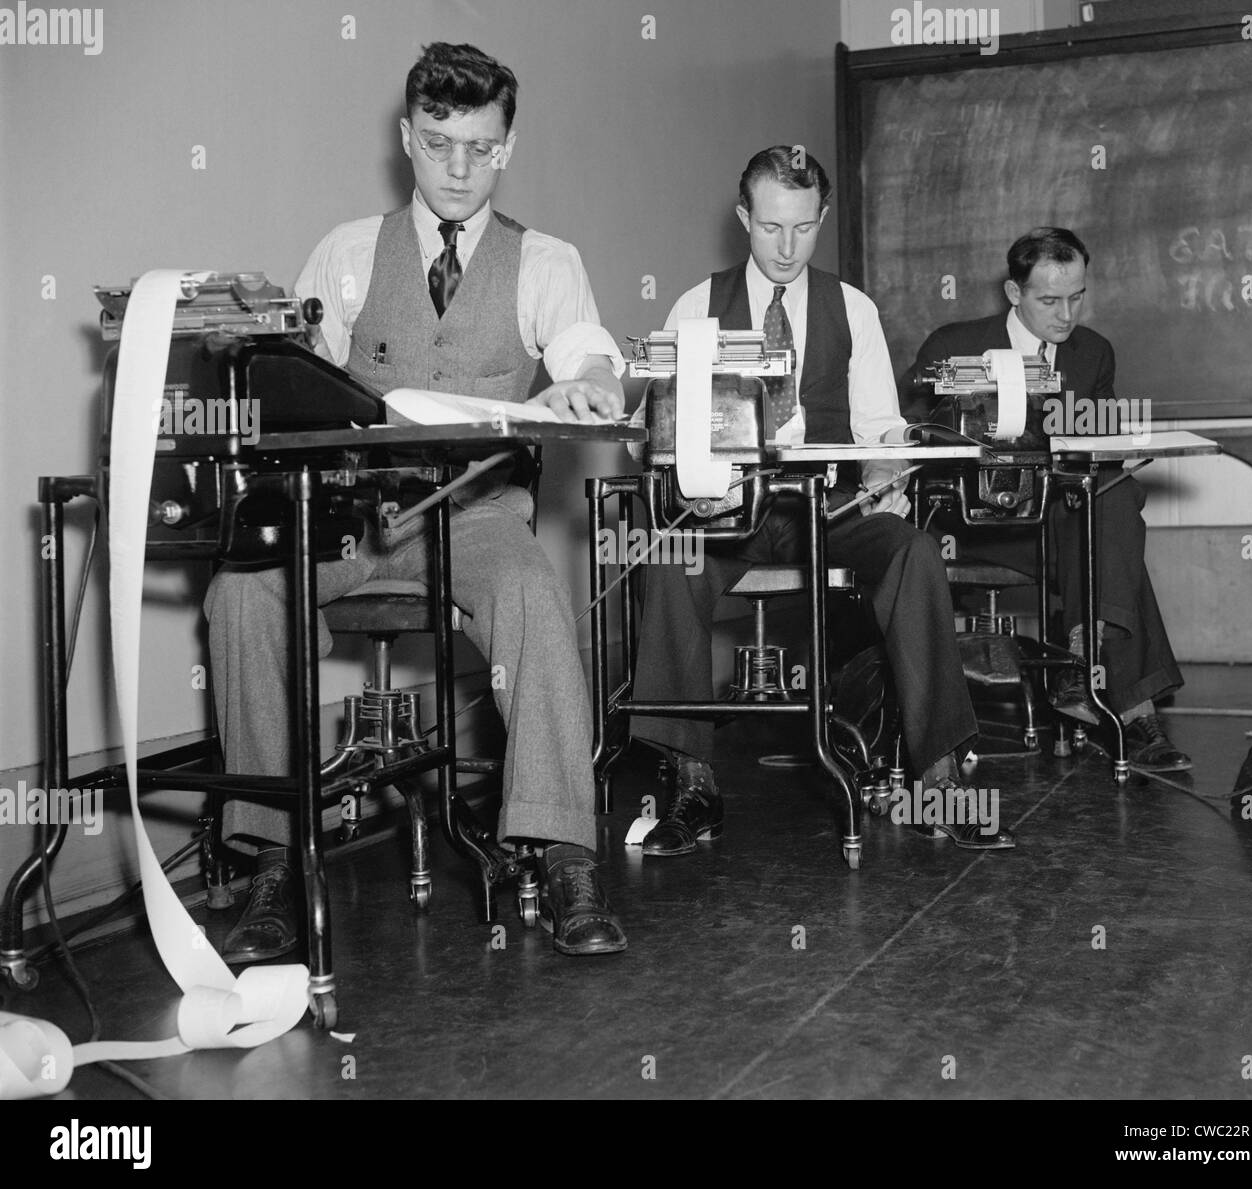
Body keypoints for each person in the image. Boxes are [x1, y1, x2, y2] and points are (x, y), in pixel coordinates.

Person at [203, 42, 629, 960]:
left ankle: (563, 852)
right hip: (350, 522)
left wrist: (588, 382)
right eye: (439, 143)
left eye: (481, 146)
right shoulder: (347, 253)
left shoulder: (546, 261)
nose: (459, 168)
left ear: (508, 145)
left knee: (534, 594)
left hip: (474, 519)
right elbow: (291, 385)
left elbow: (588, 349)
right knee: (240, 595)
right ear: (407, 138)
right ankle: (276, 861)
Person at [629, 146, 1014, 854]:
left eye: (804, 228)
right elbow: (650, 429)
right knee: (669, 561)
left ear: (822, 219)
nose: (786, 246)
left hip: (829, 510)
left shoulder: (852, 309)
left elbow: (880, 428)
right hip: (731, 514)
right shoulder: (695, 306)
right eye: (771, 226)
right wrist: (689, 474)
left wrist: (888, 469)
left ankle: (938, 781)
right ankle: (692, 785)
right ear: (744, 216)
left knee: (913, 551)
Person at [903, 227, 1189, 772]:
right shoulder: (952, 346)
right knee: (1110, 555)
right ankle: (1129, 710)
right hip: (972, 521)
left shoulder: (1092, 354)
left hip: (1058, 519)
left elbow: (1099, 447)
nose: (1067, 314)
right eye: (1049, 300)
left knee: (1112, 498)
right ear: (1015, 293)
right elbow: (909, 439)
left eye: (1077, 295)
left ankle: (1082, 666)